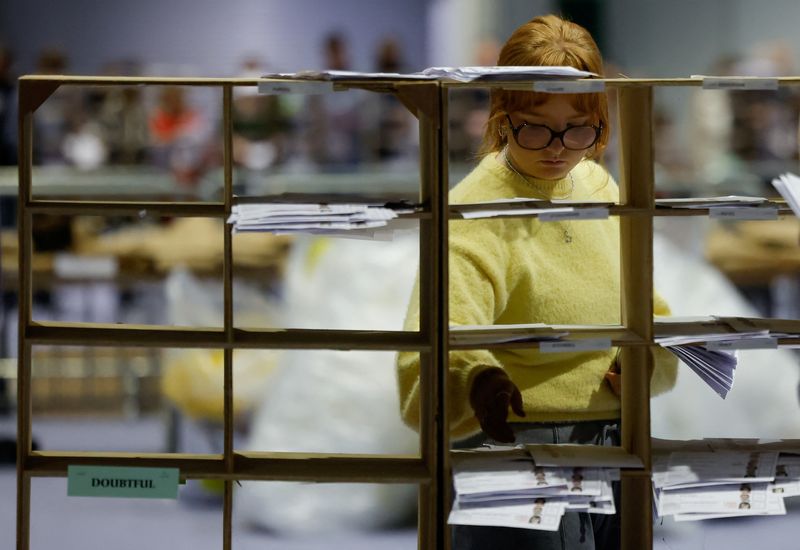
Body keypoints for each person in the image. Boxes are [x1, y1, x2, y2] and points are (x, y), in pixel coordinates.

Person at [396, 14, 678, 550]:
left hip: (617, 441)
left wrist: (645, 359)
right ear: (501, 115)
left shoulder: (596, 181)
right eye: (534, 126)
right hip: (517, 448)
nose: (558, 147)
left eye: (579, 128)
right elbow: (434, 338)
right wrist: (477, 379)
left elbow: (645, 302)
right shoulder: (475, 211)